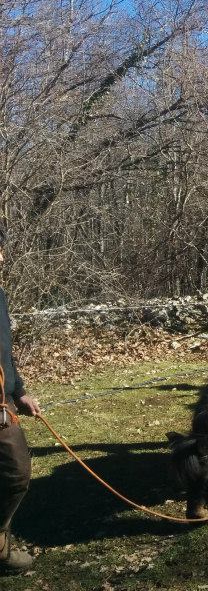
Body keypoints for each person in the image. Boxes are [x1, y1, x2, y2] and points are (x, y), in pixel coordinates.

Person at [0, 227, 41, 574]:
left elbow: (4, 353)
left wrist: (19, 391)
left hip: (3, 403)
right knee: (13, 473)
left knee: (15, 473)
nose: (1, 258)